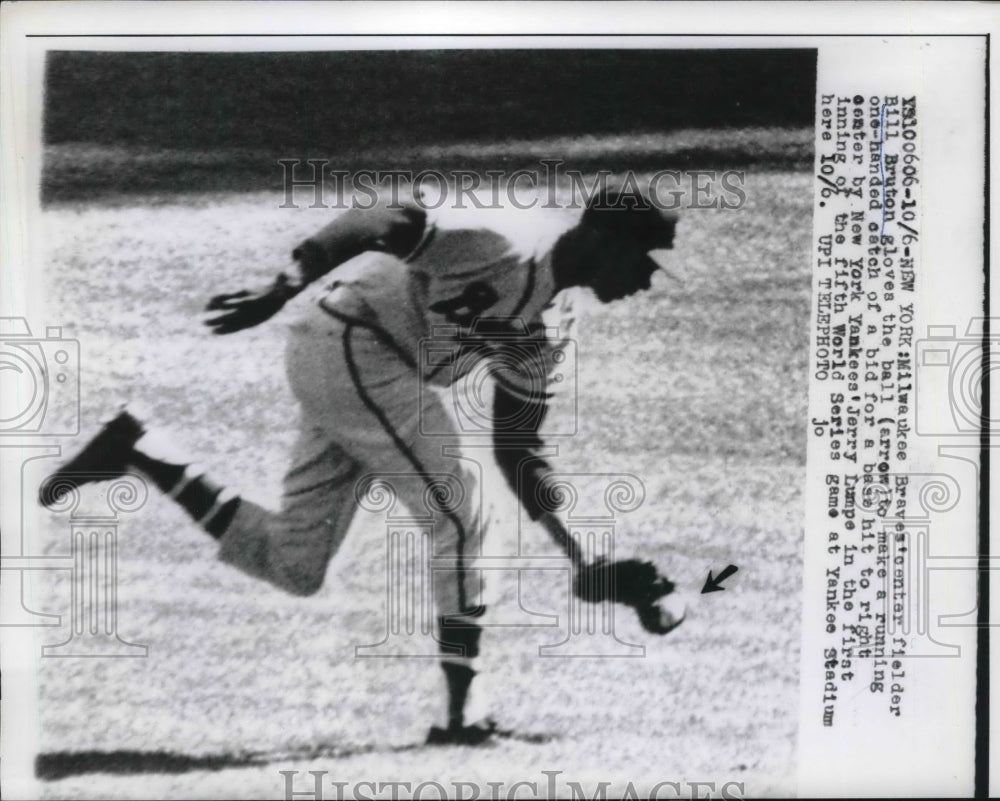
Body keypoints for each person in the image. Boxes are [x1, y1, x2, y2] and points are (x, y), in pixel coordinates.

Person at [39, 179, 684, 745]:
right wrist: (282, 286)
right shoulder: (506, 238)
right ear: (604, 235)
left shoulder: (551, 331)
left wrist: (583, 559)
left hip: (354, 365)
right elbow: (383, 218)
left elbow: (519, 450)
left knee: (296, 566)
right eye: (647, 260)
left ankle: (141, 450)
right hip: (352, 341)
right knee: (463, 515)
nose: (650, 279)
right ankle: (464, 714)